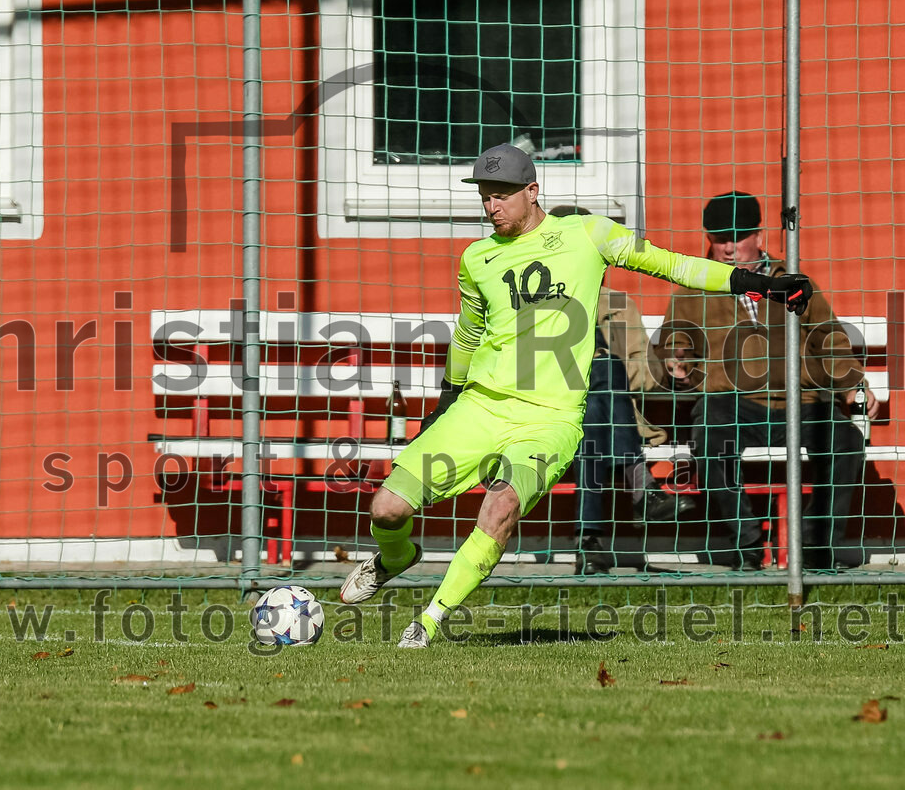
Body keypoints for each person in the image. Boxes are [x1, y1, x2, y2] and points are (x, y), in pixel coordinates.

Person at [340, 147, 812, 648]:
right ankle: (394, 557)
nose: (491, 207)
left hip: (550, 419)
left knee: (499, 510)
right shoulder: (477, 258)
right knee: (386, 509)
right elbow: (467, 336)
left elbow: (671, 265)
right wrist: (443, 406)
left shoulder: (589, 234)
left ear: (532, 192)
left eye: (501, 196)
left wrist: (758, 283)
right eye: (484, 197)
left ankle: (428, 623)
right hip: (479, 406)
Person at [655, 190, 875, 571]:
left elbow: (830, 338)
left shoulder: (793, 281)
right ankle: (747, 544)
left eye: (736, 237)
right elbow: (674, 344)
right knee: (709, 434)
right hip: (730, 402)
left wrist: (854, 382)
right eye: (719, 238)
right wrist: (677, 363)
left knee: (846, 441)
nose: (727, 248)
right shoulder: (692, 289)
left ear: (758, 236)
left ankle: (815, 547)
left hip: (801, 401)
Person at [548, 206, 693, 574]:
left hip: (600, 418)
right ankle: (641, 488)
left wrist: (665, 368)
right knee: (602, 372)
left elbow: (641, 374)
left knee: (596, 409)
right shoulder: (536, 302)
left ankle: (590, 541)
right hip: (547, 410)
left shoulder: (618, 306)